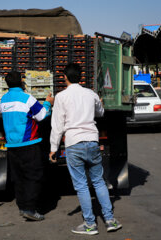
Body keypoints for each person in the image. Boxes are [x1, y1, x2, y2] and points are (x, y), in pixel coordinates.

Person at [49, 63, 122, 235]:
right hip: (92, 142)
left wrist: (53, 149)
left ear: (64, 77)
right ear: (81, 77)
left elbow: (57, 125)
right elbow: (100, 113)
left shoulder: (61, 97)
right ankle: (110, 220)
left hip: (74, 144)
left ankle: (90, 224)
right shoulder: (91, 94)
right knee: (98, 181)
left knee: (81, 186)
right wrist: (101, 105)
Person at [0, 71, 54, 221]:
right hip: (29, 145)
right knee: (33, 176)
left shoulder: (3, 99)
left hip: (12, 146)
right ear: (22, 82)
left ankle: (22, 206)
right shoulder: (27, 98)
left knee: (18, 177)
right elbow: (42, 115)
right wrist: (48, 102)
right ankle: (30, 209)